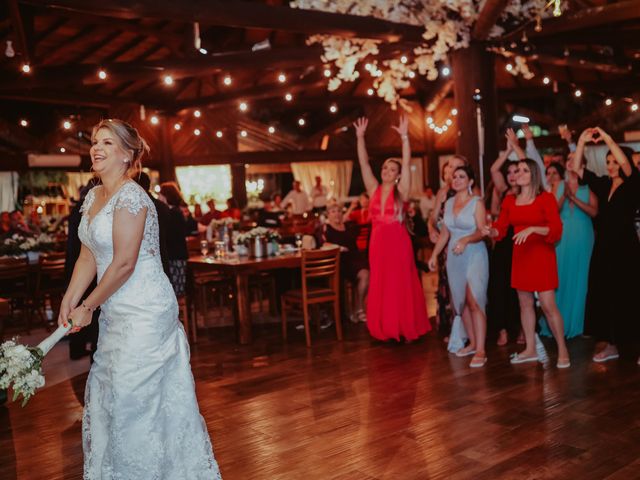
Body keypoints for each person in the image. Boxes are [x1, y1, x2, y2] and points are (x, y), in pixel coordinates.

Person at [58, 118, 220, 478]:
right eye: (95, 142)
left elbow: (124, 263)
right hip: (116, 309)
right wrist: (69, 298)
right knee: (109, 390)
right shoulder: (94, 196)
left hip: (145, 309)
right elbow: (88, 254)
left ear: (127, 154)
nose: (96, 149)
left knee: (135, 396)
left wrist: (88, 306)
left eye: (107, 143)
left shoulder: (132, 196)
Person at [483, 158, 570, 368]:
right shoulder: (510, 201)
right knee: (525, 304)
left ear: (533, 174)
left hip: (541, 255)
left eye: (523, 170)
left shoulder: (545, 198)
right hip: (520, 256)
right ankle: (530, 349)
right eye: (516, 171)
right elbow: (501, 228)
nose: (517, 174)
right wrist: (490, 230)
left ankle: (563, 349)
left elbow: (556, 230)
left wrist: (532, 229)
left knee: (549, 305)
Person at [353, 115, 430, 343]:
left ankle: (403, 327)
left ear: (397, 176)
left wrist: (405, 137)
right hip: (377, 244)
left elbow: (407, 163)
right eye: (385, 167)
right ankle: (383, 328)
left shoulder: (402, 191)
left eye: (391, 169)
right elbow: (364, 163)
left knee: (400, 283)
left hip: (398, 243)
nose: (386, 170)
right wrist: (360, 137)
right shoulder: (373, 188)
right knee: (381, 283)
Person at [567, 127, 640, 364]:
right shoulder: (602, 184)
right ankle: (611, 344)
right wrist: (581, 142)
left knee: (631, 295)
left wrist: (608, 138)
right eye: (608, 161)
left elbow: (627, 166)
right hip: (604, 249)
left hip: (626, 248)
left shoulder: (633, 185)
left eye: (614, 161)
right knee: (606, 294)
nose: (611, 165)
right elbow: (577, 169)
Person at [429, 166, 489, 367]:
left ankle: (481, 350)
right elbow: (445, 234)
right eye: (454, 177)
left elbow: (482, 232)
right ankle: (471, 343)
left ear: (471, 181)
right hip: (454, 258)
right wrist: (434, 254)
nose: (457, 179)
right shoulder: (449, 203)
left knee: (475, 300)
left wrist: (466, 240)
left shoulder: (476, 203)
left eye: (462, 176)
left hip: (474, 254)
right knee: (460, 302)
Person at [540, 161, 596, 339]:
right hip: (562, 239)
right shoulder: (557, 185)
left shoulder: (588, 188)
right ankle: (558, 323)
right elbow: (552, 211)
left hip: (583, 236)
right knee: (561, 276)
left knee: (582, 277)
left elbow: (594, 212)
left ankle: (580, 324)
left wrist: (574, 199)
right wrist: (564, 196)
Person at [428, 155, 467, 344]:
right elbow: (433, 217)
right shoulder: (443, 192)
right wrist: (431, 230)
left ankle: (469, 328)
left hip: (465, 245)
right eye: (449, 166)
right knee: (449, 286)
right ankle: (453, 327)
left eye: (456, 167)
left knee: (465, 288)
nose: (451, 170)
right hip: (445, 246)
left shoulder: (470, 192)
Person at [487, 139, 522, 346]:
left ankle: (521, 329)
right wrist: (508, 149)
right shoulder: (502, 190)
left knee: (518, 289)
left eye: (515, 171)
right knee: (499, 287)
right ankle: (502, 330)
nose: (511, 176)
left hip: (520, 242)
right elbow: (493, 168)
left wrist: (517, 149)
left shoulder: (528, 191)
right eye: (508, 172)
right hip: (502, 243)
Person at [317, 203, 369, 323]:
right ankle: (343, 312)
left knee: (366, 274)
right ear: (328, 215)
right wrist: (339, 247)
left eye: (339, 211)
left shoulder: (348, 226)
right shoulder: (326, 228)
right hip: (338, 263)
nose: (337, 214)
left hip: (354, 260)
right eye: (333, 211)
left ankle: (359, 308)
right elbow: (324, 244)